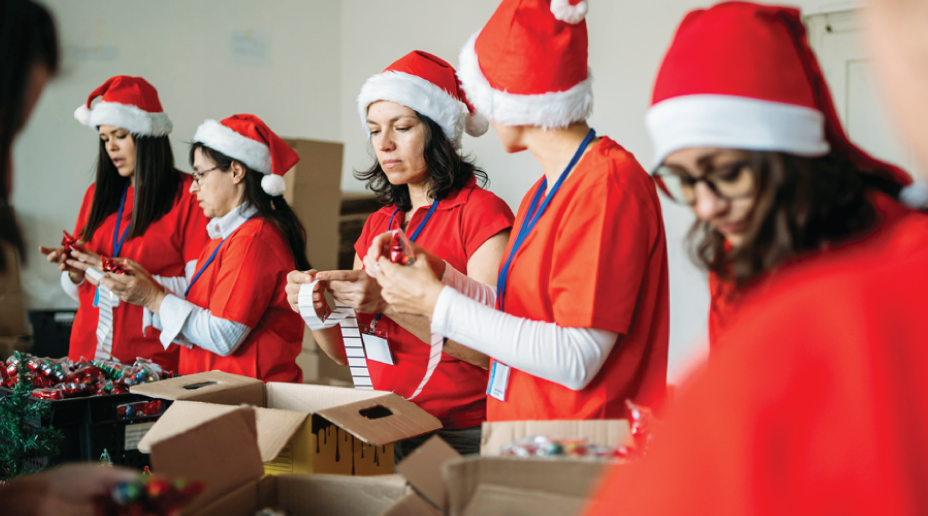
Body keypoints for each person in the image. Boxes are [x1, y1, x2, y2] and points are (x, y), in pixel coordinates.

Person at [585, 3, 928, 514]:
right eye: (680, 179)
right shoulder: (736, 254)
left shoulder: (896, 255)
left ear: (785, 156)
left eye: (724, 173)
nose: (704, 205)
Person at [370, 0, 670, 422]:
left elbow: (576, 358)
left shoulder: (607, 184)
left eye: (482, 95)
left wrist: (435, 302)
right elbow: (511, 312)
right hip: (526, 435)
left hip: (579, 449)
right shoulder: (541, 193)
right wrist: (438, 274)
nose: (482, 113)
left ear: (513, 96)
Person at [287, 50, 513, 458]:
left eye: (402, 127)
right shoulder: (378, 223)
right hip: (382, 423)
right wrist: (315, 311)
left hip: (458, 433)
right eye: (374, 130)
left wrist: (388, 305)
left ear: (439, 130)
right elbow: (343, 352)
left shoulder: (481, 214)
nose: (385, 144)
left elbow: (490, 351)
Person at [0, 2, 136, 514]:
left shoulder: (182, 204)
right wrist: (80, 273)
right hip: (92, 351)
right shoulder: (94, 200)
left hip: (143, 364)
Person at [102, 114, 307, 383]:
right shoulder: (222, 236)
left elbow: (223, 336)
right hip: (218, 395)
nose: (193, 188)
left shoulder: (252, 239)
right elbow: (201, 303)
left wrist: (153, 298)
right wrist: (146, 284)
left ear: (236, 172)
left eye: (200, 174)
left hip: (246, 402)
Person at [39, 76, 209, 371]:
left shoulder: (188, 195)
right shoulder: (97, 195)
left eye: (119, 136)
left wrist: (105, 266)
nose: (111, 148)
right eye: (105, 139)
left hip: (150, 361)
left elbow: (199, 291)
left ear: (146, 135)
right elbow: (84, 293)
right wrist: (76, 270)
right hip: (86, 355)